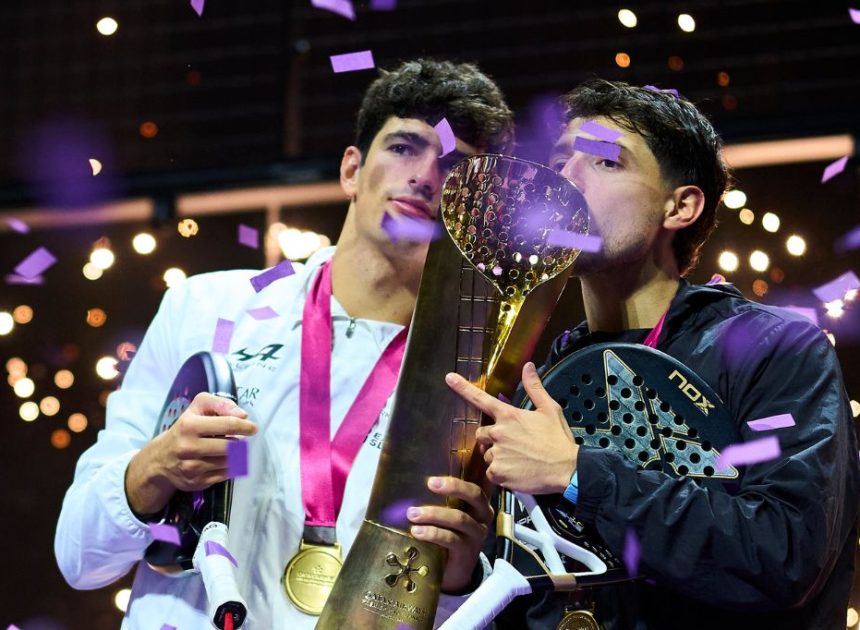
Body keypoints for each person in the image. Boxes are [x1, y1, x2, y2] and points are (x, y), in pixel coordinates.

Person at [55, 58, 514, 628]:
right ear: (351, 168)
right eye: (403, 147)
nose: (424, 175)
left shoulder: (479, 385)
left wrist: (454, 583)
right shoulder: (204, 309)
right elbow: (79, 558)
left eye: (454, 167)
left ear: (474, 210)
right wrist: (154, 469)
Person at [445, 79, 860, 628]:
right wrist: (464, 572)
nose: (566, 181)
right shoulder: (537, 382)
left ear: (680, 206)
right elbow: (543, 589)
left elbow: (784, 556)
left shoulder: (772, 350)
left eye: (606, 164)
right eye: (562, 160)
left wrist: (579, 475)